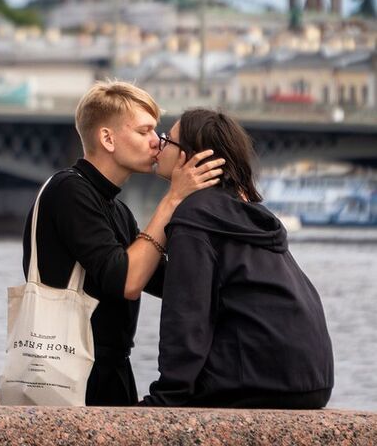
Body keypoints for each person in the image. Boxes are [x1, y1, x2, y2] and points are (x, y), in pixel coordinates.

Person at [22, 81, 225, 406]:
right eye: (144, 131)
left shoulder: (117, 210)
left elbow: (167, 280)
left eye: (156, 130)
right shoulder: (69, 191)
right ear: (107, 138)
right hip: (70, 372)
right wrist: (172, 199)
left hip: (108, 370)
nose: (157, 141)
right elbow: (127, 281)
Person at [142, 108, 334, 409]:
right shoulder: (246, 213)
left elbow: (187, 315)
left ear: (190, 159)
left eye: (168, 140)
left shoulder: (195, 215)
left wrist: (167, 397)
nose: (159, 144)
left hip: (259, 381)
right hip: (312, 381)